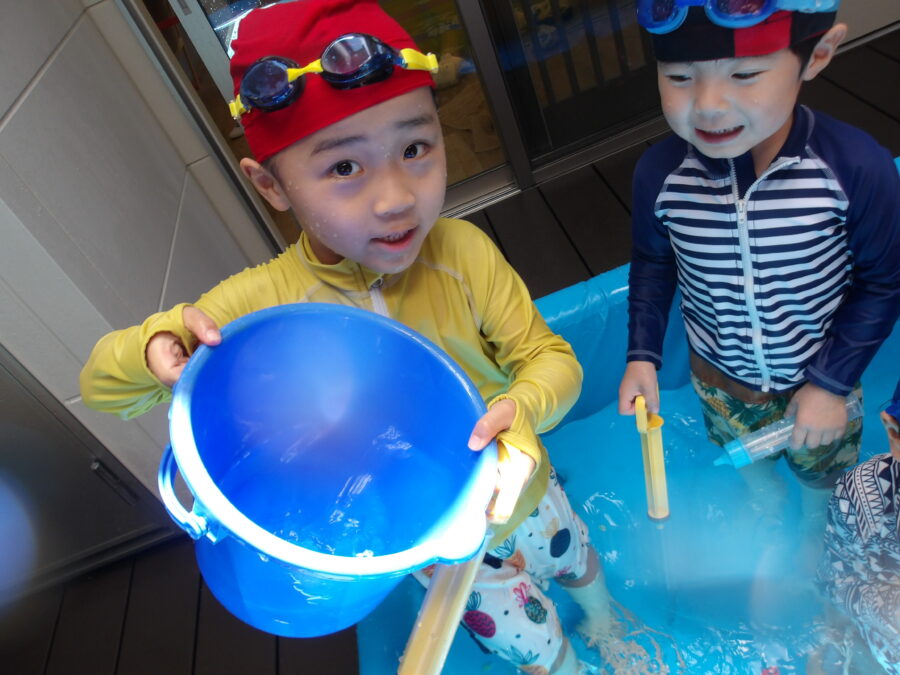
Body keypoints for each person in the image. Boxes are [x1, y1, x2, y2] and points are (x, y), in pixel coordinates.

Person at [79, 2, 618, 672]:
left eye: (415, 149)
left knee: (577, 560)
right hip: (442, 553)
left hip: (529, 494)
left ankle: (609, 624)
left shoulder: (462, 254)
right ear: (271, 185)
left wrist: (525, 408)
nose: (396, 197)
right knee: (540, 652)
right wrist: (152, 346)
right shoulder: (261, 307)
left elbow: (552, 360)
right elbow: (99, 389)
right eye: (343, 168)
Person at [618, 1, 900, 541]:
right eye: (679, 77)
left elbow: (883, 282)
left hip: (819, 377)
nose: (707, 105)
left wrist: (830, 384)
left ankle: (815, 525)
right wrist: (642, 354)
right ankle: (767, 502)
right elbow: (653, 263)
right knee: (744, 460)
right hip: (719, 379)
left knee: (822, 476)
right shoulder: (660, 175)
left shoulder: (855, 169)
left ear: (817, 55)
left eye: (745, 75)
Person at [817, 379, 900, 674]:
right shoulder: (863, 492)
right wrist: (831, 638)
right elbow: (837, 578)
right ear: (893, 432)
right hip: (874, 642)